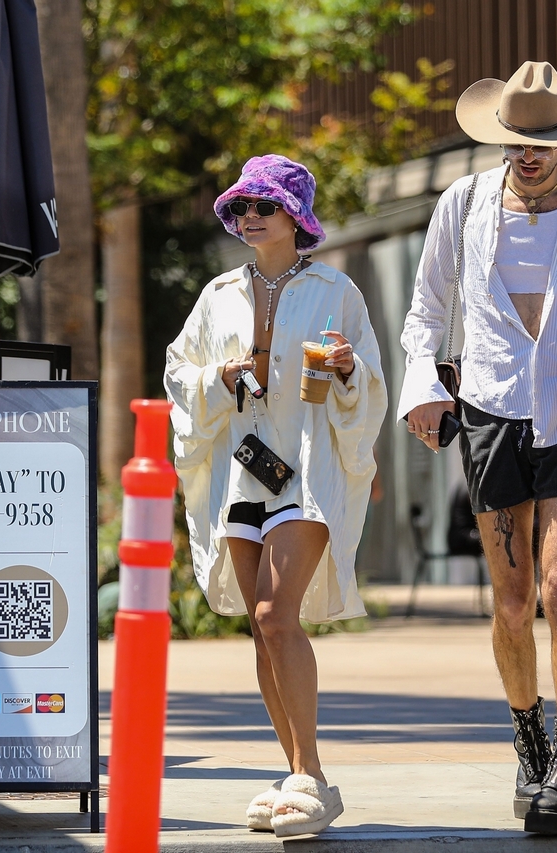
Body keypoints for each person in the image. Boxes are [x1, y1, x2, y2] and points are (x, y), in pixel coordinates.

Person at [399, 61, 557, 836]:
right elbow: (425, 308)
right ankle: (529, 739)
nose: (528, 154)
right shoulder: (465, 203)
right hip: (487, 413)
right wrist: (424, 388)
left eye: (542, 140)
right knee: (512, 600)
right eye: (516, 140)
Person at [164, 155, 387, 837]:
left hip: (307, 466)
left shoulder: (335, 288)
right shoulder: (219, 292)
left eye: (262, 205)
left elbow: (368, 380)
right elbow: (181, 373)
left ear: (295, 215)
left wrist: (347, 368)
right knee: (262, 629)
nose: (248, 216)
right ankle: (294, 769)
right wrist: (218, 376)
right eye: (239, 207)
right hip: (243, 468)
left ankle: (313, 772)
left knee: (275, 612)